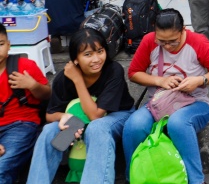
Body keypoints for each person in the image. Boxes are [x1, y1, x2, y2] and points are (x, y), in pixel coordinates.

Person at [122, 9, 209, 184]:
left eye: (173, 42)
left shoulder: (197, 41)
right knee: (134, 125)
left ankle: (196, 180)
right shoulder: (149, 41)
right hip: (158, 103)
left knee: (177, 123)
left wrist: (200, 80)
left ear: (183, 30)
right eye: (161, 41)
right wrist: (159, 81)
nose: (167, 46)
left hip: (195, 103)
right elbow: (134, 73)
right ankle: (133, 176)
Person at [27, 28, 135, 183]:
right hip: (78, 120)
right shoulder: (63, 79)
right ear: (75, 58)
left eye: (100, 51)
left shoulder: (113, 70)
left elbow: (95, 116)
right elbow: (50, 115)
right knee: (49, 131)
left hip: (117, 116)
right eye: (88, 54)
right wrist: (65, 116)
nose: (96, 59)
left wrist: (78, 80)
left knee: (96, 127)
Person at [0, 24, 51, 184]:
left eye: (0, 44)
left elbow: (48, 95)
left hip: (20, 125)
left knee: (3, 165)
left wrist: (32, 85)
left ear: (8, 44)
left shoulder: (24, 66)